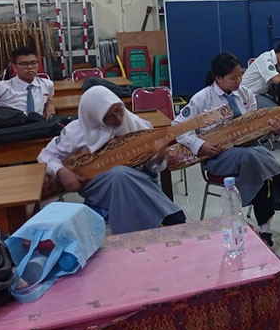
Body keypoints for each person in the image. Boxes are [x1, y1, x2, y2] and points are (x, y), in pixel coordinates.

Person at [174, 53, 280, 247]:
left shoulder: (245, 94)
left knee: (257, 164)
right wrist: (201, 145)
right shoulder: (202, 98)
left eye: (240, 75)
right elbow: (178, 128)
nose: (239, 81)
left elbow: (256, 131)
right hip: (218, 155)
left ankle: (265, 233)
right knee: (257, 156)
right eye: (233, 78)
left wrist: (275, 131)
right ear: (218, 78)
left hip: (249, 151)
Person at [37, 86, 185, 235]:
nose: (119, 119)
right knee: (118, 174)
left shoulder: (137, 124)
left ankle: (131, 238)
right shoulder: (77, 130)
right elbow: (45, 155)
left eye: (119, 110)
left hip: (138, 181)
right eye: (109, 116)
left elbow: (151, 169)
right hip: (98, 185)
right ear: (94, 116)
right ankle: (170, 216)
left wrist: (159, 158)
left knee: (121, 176)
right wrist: (62, 171)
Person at [241, 41, 280, 108]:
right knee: (277, 112)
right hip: (249, 95)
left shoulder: (275, 61)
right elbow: (276, 79)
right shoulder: (266, 59)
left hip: (258, 93)